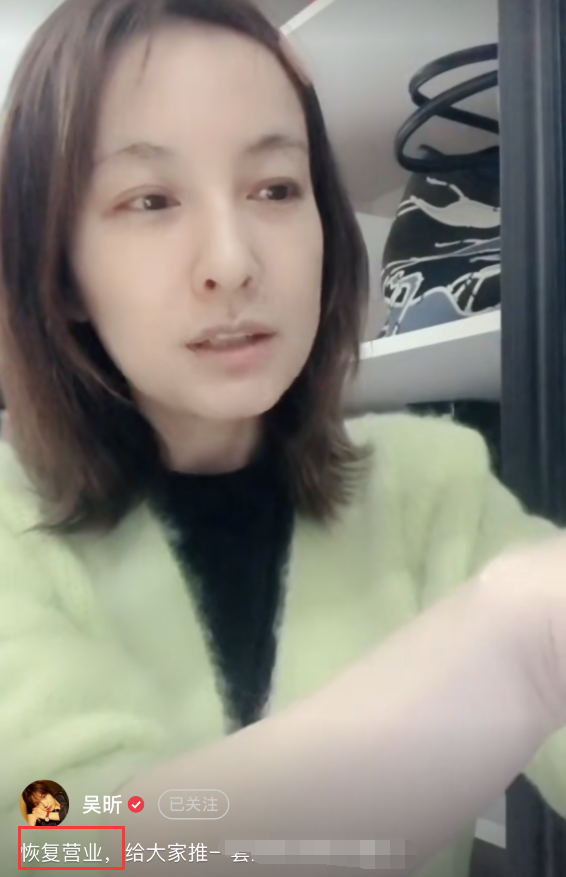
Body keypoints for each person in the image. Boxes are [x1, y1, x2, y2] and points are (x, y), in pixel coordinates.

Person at [0, 0, 564, 874]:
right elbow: (67, 835)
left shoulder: (431, 484)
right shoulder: (11, 526)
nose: (233, 261)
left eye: (275, 189)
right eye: (151, 199)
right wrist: (512, 648)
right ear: (59, 268)